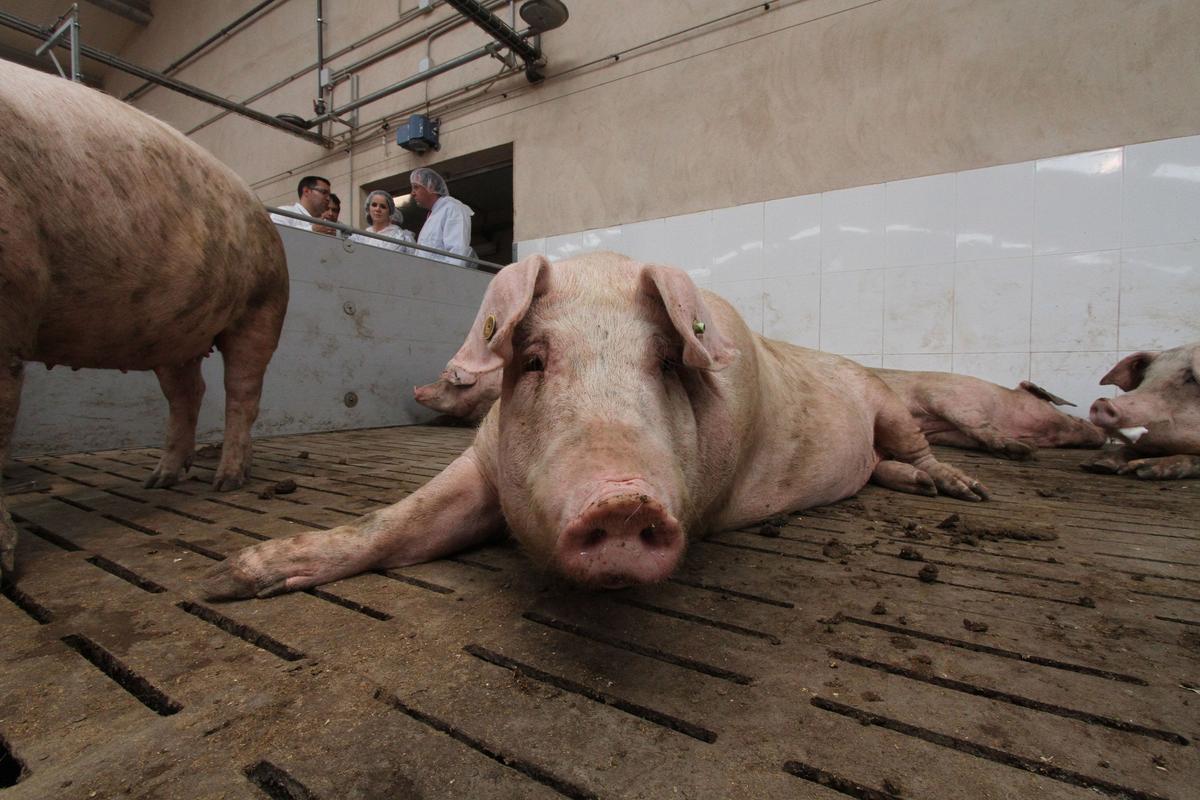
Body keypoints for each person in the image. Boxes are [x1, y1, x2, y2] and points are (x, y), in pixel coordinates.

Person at [409, 167, 476, 265]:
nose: (412, 193)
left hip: (443, 277)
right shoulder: (433, 215)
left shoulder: (452, 208)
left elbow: (457, 253)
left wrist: (447, 278)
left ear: (430, 186)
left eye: (416, 187)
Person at [348, 190, 415, 254]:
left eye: (383, 206)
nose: (377, 209)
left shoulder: (402, 237)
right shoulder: (360, 237)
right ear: (368, 208)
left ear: (390, 211)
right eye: (374, 205)